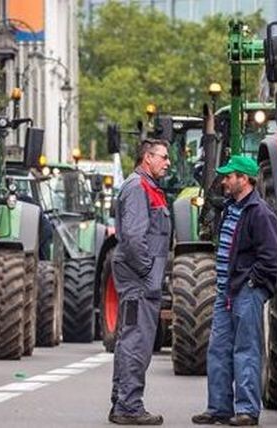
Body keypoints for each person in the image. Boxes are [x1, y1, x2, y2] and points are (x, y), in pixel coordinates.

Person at [192, 155, 277, 426]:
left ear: (245, 179)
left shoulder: (260, 213)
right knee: (218, 349)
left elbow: (271, 257)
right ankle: (218, 408)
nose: (225, 181)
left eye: (230, 176)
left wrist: (252, 283)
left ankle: (246, 411)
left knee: (246, 350)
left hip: (245, 292)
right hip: (226, 292)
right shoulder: (231, 208)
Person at [110, 139, 171, 425]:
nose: (168, 162)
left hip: (142, 277)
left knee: (130, 340)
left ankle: (121, 402)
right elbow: (134, 238)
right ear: (147, 158)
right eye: (163, 157)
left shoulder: (147, 187)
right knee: (137, 342)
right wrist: (148, 271)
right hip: (140, 278)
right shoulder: (138, 187)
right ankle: (129, 406)